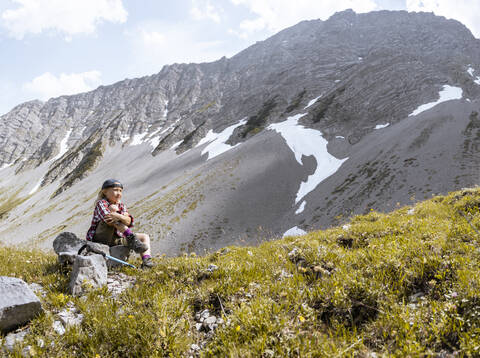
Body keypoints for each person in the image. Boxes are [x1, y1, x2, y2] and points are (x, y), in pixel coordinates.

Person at [86, 179, 154, 268]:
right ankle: (132, 239)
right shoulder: (101, 203)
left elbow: (129, 222)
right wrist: (122, 216)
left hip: (116, 239)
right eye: (115, 190)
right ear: (105, 192)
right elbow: (109, 220)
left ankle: (146, 262)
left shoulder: (122, 205)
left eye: (120, 191)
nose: (119, 193)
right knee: (112, 212)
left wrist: (120, 217)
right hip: (100, 238)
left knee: (144, 237)